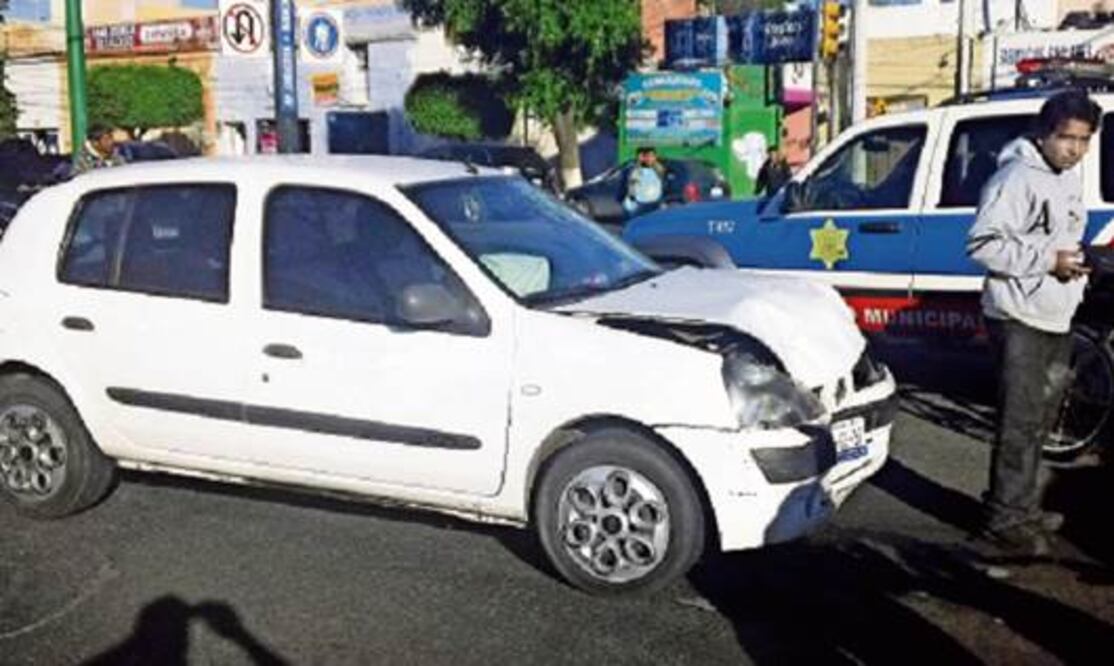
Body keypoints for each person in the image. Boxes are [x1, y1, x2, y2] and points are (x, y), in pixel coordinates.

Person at [965, 89, 1099, 556]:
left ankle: (1021, 506)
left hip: (1055, 313)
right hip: (1017, 314)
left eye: (1083, 140)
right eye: (1066, 138)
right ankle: (1003, 519)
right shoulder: (1014, 177)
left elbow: (1060, 238)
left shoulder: (1068, 179)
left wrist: (1078, 263)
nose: (1075, 149)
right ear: (1043, 134)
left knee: (1042, 420)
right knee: (1019, 421)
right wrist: (1048, 261)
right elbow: (982, 245)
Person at [622, 146, 665, 218]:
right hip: (641, 203)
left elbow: (660, 184)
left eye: (651, 156)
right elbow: (632, 186)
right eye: (645, 156)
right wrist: (632, 199)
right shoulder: (636, 171)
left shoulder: (658, 169)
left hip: (655, 202)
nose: (649, 158)